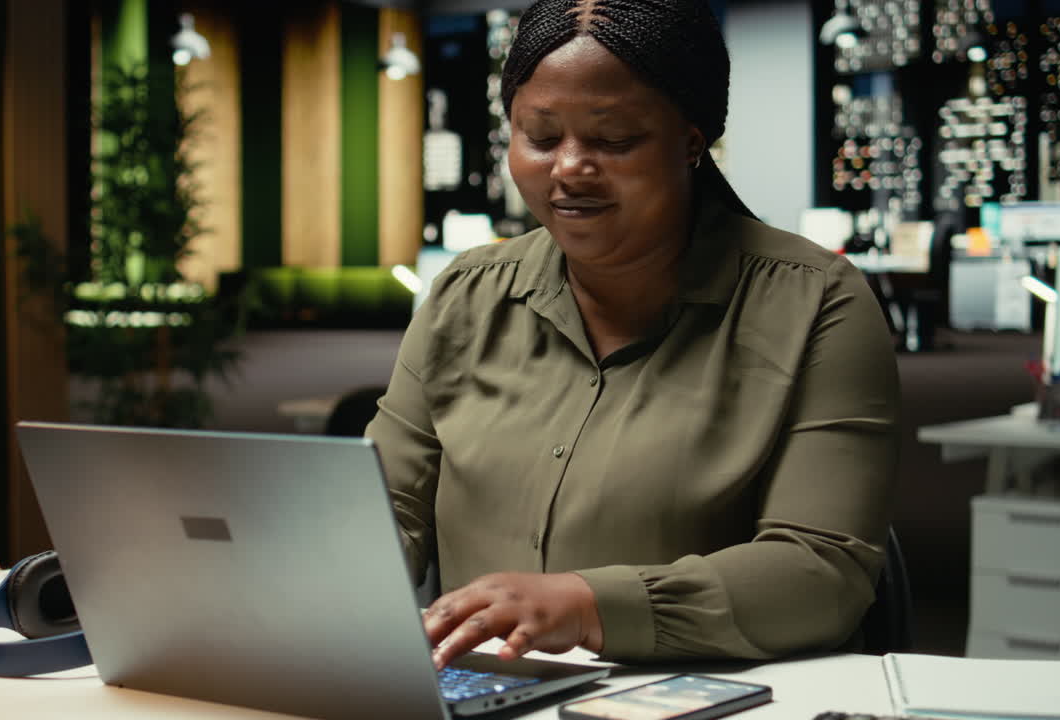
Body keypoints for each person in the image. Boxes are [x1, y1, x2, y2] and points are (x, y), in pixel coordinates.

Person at [365, 0, 899, 670]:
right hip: (488, 695)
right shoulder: (465, 297)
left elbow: (823, 573)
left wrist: (588, 606)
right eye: (539, 136)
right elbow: (382, 511)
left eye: (614, 140)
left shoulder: (815, 301)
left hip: (710, 702)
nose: (569, 167)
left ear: (692, 139)